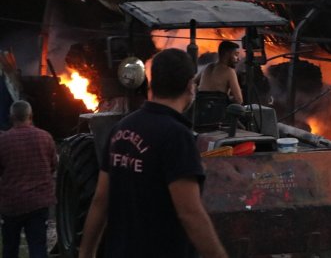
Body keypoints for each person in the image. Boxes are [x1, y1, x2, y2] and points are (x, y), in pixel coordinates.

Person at [79, 48, 228, 258]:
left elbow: (101, 200)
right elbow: (190, 214)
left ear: (151, 82)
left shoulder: (121, 129)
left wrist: (86, 252)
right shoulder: (177, 136)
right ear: (190, 85)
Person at [0, 100, 57, 258]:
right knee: (38, 246)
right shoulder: (45, 138)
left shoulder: (3, 141)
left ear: (12, 117)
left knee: (10, 247)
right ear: (30, 116)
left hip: (12, 204)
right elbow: (53, 166)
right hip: (39, 203)